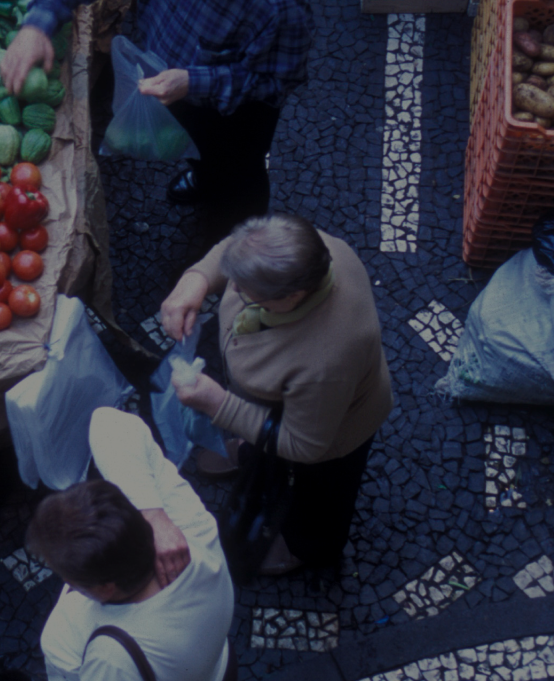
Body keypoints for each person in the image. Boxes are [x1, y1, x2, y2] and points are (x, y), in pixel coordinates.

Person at [0, 0, 311, 228]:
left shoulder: (279, 2)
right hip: (166, 73)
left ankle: (236, 229)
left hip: (230, 110)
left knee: (236, 173)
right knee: (192, 145)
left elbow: (275, 82)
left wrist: (195, 82)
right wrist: (39, 21)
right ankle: (204, 177)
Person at [160, 214, 393, 576]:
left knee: (318, 498)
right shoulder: (303, 249)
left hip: (332, 437)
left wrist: (218, 404)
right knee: (263, 441)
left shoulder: (324, 362)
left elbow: (306, 445)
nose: (231, 289)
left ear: (293, 295)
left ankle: (306, 548)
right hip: (284, 402)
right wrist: (198, 278)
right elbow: (235, 249)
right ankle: (255, 452)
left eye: (243, 288)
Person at [30, 408, 235, 681]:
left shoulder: (109, 660)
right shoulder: (194, 528)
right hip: (218, 665)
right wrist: (153, 512)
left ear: (105, 588)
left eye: (65, 575)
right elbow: (107, 419)